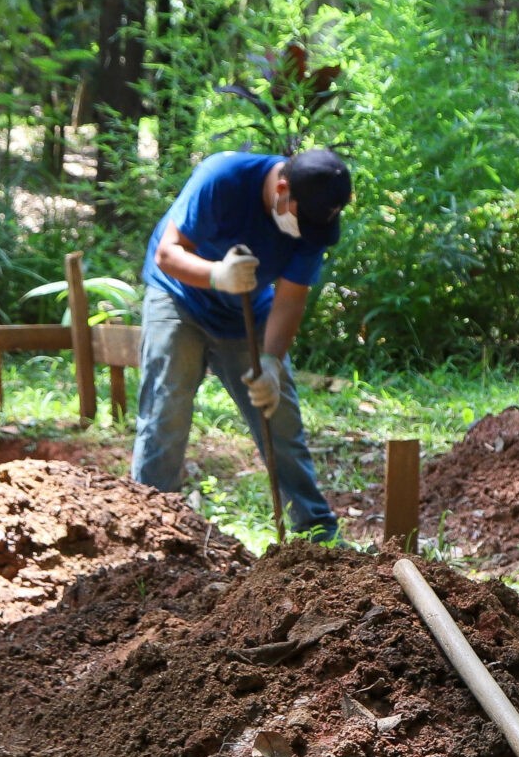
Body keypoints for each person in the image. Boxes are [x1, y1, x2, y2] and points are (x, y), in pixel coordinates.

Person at [133, 147, 354, 539]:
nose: (305, 236)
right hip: (179, 297)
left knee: (278, 413)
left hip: (248, 312)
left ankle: (315, 529)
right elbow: (168, 253)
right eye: (300, 222)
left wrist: (270, 362)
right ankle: (148, 523)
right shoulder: (223, 177)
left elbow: (290, 297)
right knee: (166, 408)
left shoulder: (313, 217)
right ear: (282, 189)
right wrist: (217, 275)